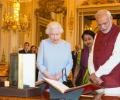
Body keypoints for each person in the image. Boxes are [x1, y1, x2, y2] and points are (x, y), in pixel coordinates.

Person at [88, 9, 120, 100]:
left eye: (105, 23)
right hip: (99, 83)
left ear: (111, 19)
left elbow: (116, 58)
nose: (102, 27)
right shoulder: (97, 34)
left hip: (115, 85)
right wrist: (92, 73)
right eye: (99, 24)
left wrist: (97, 74)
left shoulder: (118, 32)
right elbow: (91, 55)